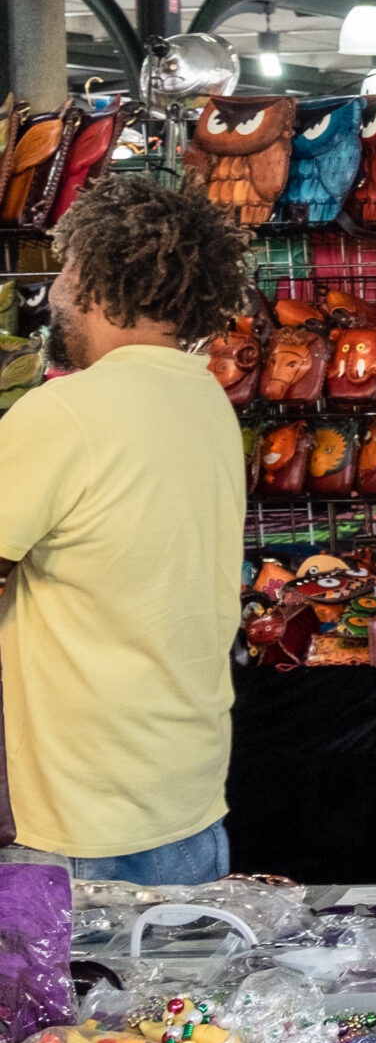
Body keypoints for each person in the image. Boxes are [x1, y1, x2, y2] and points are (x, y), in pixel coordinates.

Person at [0, 179, 251, 880]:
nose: (53, 292)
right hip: (186, 802)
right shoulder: (205, 399)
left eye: (66, 271)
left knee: (75, 996)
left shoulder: (67, 414)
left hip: (77, 824)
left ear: (103, 281)